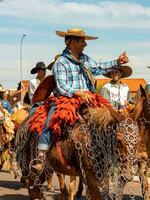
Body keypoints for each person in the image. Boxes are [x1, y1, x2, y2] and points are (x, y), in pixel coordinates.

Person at [33, 28, 129, 171]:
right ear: (72, 42)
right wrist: (79, 93)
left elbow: (99, 67)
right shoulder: (61, 62)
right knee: (51, 121)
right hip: (66, 99)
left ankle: (111, 153)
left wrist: (117, 62)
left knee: (109, 115)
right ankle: (41, 155)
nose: (85, 44)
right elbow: (61, 86)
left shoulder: (85, 59)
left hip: (88, 98)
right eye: (82, 41)